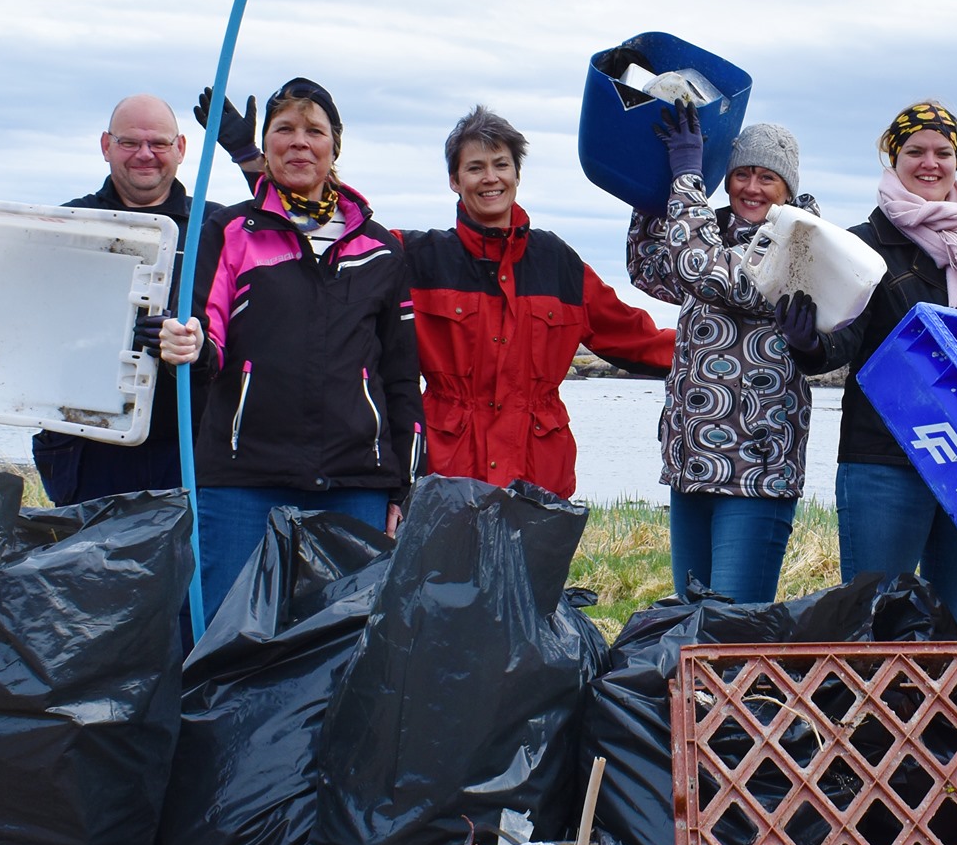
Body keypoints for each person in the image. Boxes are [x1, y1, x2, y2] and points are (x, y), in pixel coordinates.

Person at [158, 78, 423, 618]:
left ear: (335, 147)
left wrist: (403, 486)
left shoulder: (381, 249)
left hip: (357, 483)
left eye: (314, 131)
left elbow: (401, 377)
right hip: (242, 479)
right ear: (267, 144)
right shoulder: (230, 229)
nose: (299, 142)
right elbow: (207, 331)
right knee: (225, 635)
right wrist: (187, 344)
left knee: (341, 644)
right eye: (285, 129)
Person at [793, 101, 957, 635]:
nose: (929, 162)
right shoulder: (862, 245)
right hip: (884, 460)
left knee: (952, 629)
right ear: (894, 157)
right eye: (916, 151)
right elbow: (840, 344)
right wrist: (808, 345)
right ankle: (862, 721)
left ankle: (941, 721)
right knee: (873, 626)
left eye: (943, 152)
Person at [394, 106, 673, 499]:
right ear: (454, 181)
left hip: (538, 480)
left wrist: (723, 350)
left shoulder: (558, 262)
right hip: (445, 478)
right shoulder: (415, 257)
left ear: (517, 175)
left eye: (501, 165)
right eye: (475, 168)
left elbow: (637, 338)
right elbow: (345, 241)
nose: (490, 178)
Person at [627, 111, 820, 602]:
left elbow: (707, 273)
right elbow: (650, 268)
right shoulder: (711, 232)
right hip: (693, 464)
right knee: (691, 631)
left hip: (755, 473)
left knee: (733, 638)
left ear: (789, 188)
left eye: (767, 177)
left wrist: (686, 176)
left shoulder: (801, 243)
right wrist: (651, 183)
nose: (752, 187)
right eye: (741, 174)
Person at [32, 94, 214, 505]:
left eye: (159, 144)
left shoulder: (218, 227)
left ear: (181, 148)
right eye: (130, 142)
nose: (145, 155)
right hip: (85, 446)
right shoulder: (64, 224)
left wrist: (192, 346)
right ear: (105, 146)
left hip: (189, 446)